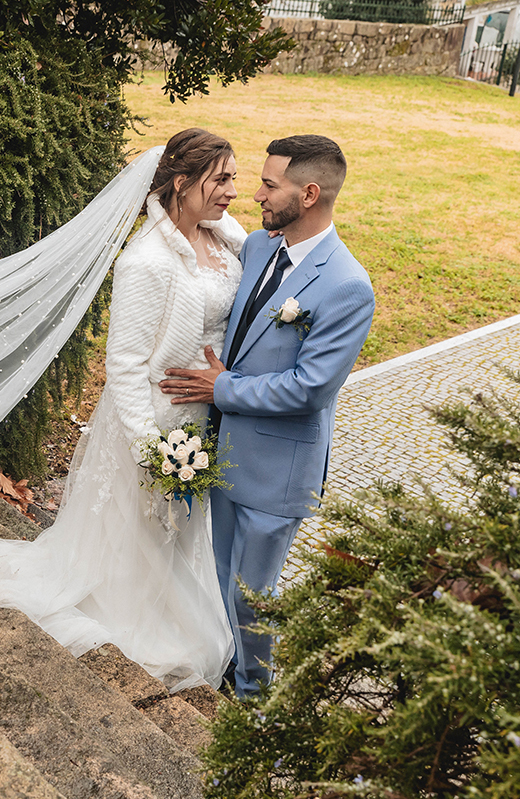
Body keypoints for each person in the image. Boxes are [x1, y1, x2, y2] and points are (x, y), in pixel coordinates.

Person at [0, 129, 243, 692]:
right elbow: (125, 366)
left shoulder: (224, 237)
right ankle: (131, 616)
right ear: (182, 183)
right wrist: (150, 448)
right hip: (155, 421)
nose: (234, 190)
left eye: (233, 176)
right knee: (139, 528)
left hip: (205, 415)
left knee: (179, 532)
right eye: (221, 178)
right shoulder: (146, 262)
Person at [159, 135, 375, 698]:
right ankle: (227, 668)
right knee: (219, 576)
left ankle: (254, 697)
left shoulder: (348, 286)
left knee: (254, 593)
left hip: (277, 469)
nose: (255, 194)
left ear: (308, 194)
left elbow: (309, 389)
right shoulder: (257, 246)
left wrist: (222, 386)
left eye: (268, 184)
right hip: (226, 449)